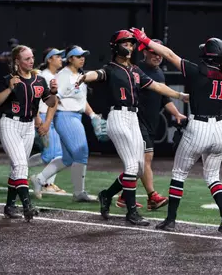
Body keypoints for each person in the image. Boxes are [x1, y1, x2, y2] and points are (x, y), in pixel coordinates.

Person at [130, 28, 222, 233]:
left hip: (200, 127)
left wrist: (145, 40)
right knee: (213, 176)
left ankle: (170, 220)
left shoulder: (197, 71)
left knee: (178, 173)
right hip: (221, 128)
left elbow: (168, 54)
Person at [76, 30, 189, 226]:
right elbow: (98, 74)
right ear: (115, 46)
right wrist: (85, 76)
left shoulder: (136, 70)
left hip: (133, 118)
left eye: (131, 44)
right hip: (118, 116)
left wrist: (181, 97)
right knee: (131, 166)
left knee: (137, 169)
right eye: (125, 43)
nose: (128, 47)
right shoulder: (110, 68)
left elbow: (157, 87)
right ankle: (131, 212)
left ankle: (107, 194)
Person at [115, 39, 186, 211]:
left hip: (150, 123)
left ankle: (121, 196)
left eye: (160, 53)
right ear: (145, 51)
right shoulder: (137, 70)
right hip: (136, 122)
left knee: (139, 164)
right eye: (154, 52)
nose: (158, 56)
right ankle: (152, 196)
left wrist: (176, 113)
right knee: (146, 159)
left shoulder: (159, 73)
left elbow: (164, 98)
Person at [0, 45, 58, 221]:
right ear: (17, 62)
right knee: (21, 166)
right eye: (27, 58)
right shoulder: (8, 79)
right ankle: (27, 205)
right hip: (10, 124)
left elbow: (50, 102)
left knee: (17, 168)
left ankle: (10, 206)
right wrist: (9, 89)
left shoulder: (39, 80)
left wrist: (53, 92)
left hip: (28, 127)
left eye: (32, 57)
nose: (31, 61)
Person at [31, 45, 100, 203]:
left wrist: (93, 115)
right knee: (81, 153)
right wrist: (48, 122)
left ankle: (39, 179)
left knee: (68, 158)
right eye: (78, 56)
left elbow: (82, 100)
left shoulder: (80, 75)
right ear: (70, 58)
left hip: (75, 116)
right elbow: (54, 100)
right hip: (66, 117)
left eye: (83, 56)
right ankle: (79, 192)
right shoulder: (63, 75)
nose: (82, 58)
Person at [28, 48, 66, 195]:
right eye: (57, 57)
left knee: (56, 154)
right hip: (43, 116)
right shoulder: (43, 76)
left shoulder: (56, 76)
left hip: (52, 117)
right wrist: (38, 118)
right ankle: (25, 169)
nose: (60, 59)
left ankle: (47, 183)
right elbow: (34, 99)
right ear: (49, 59)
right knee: (51, 155)